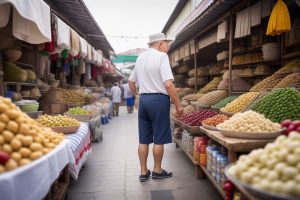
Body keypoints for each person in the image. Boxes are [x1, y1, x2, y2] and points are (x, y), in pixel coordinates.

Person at [128, 33, 183, 182]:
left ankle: (143, 172)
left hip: (144, 100)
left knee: (143, 139)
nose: (168, 46)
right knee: (159, 138)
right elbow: (168, 84)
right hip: (159, 100)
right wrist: (178, 104)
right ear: (159, 44)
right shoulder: (161, 57)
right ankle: (157, 170)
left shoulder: (140, 58)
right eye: (167, 43)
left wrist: (137, 96)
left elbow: (131, 81)